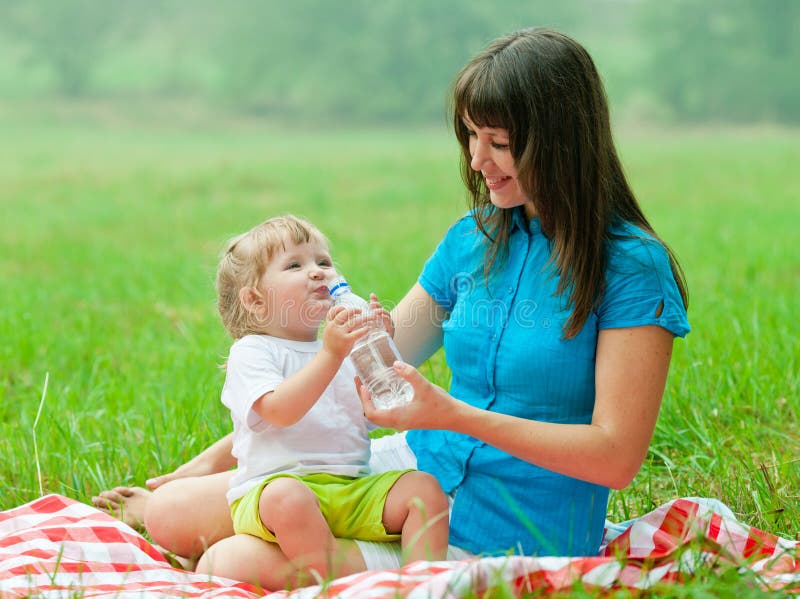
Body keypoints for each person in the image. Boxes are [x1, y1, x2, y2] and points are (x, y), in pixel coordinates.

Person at [94, 26, 689, 581]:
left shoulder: (631, 267)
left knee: (229, 561)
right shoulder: (475, 238)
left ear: (560, 143)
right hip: (416, 467)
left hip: (504, 527)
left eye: (499, 143)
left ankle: (364, 567)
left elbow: (615, 458)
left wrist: (451, 415)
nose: (477, 161)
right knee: (172, 511)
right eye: (471, 136)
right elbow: (359, 367)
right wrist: (209, 461)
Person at [178, 214, 448, 589]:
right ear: (255, 300)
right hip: (275, 491)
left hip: (350, 487)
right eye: (294, 265)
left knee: (424, 490)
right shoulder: (253, 351)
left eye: (323, 261)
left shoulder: (339, 348)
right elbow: (280, 411)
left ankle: (423, 587)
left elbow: (378, 412)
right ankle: (340, 580)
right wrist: (332, 355)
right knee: (287, 498)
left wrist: (381, 349)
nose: (318, 271)